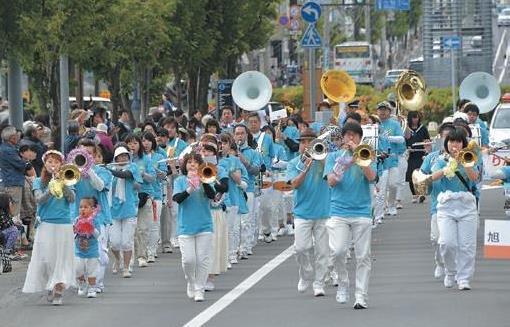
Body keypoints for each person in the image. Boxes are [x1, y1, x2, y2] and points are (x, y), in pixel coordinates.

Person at [324, 122, 377, 309]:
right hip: (338, 211)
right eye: (347, 135)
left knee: (363, 256)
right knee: (338, 251)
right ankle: (343, 282)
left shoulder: (368, 154)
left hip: (362, 212)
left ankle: (361, 295)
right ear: (342, 138)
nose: (351, 138)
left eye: (355, 135)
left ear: (360, 138)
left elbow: (371, 177)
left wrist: (359, 156)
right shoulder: (332, 157)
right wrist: (341, 165)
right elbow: (330, 182)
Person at [427, 128, 480, 290]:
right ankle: (450, 271)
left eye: (457, 141)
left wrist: (463, 162)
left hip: (466, 205)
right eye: (451, 141)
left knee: (467, 245)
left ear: (463, 144)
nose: (454, 145)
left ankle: (464, 278)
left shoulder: (469, 158)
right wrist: (447, 167)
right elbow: (431, 176)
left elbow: (474, 178)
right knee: (447, 242)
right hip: (446, 206)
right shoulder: (440, 159)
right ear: (446, 144)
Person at [22, 150, 76, 305]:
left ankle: (58, 290)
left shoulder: (67, 179)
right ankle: (51, 283)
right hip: (46, 224)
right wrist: (52, 187)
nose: (53, 165)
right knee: (46, 260)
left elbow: (72, 199)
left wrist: (62, 184)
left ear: (61, 164)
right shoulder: (39, 181)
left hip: (63, 223)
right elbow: (39, 200)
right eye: (50, 162)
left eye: (57, 162)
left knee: (61, 259)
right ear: (45, 164)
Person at [287, 129, 330, 297]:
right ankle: (305, 275)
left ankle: (319, 283)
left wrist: (321, 158)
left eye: (309, 142)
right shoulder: (293, 163)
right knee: (301, 248)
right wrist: (305, 167)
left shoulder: (324, 160)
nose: (305, 145)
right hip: (302, 213)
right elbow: (295, 184)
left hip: (324, 212)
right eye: (302, 142)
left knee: (322, 252)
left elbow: (333, 176)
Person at [173, 152, 218, 302]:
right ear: (185, 166)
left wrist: (202, 181)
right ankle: (191, 281)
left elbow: (213, 196)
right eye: (189, 162)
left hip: (204, 225)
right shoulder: (179, 181)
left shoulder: (207, 179)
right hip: (185, 226)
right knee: (189, 260)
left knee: (203, 260)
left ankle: (200, 289)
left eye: (195, 162)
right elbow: (177, 199)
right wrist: (190, 188)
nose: (192, 164)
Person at [72, 140, 113, 292]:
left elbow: (100, 186)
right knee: (79, 252)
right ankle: (82, 280)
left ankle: (96, 284)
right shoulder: (73, 171)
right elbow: (69, 190)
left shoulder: (103, 171)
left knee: (100, 251)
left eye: (89, 154)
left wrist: (88, 169)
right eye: (83, 153)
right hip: (77, 217)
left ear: (95, 156)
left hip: (99, 217)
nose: (86, 156)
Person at [420, 123, 455, 280]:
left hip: (457, 204)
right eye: (444, 136)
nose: (447, 140)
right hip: (437, 205)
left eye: (451, 137)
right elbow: (421, 176)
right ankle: (440, 263)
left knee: (451, 242)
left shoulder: (462, 156)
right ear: (440, 138)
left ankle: (452, 270)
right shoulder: (431, 157)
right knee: (437, 239)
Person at [109, 146, 143, 278]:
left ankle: (127, 267)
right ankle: (118, 259)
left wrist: (110, 171)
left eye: (125, 156)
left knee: (126, 242)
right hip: (113, 210)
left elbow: (125, 175)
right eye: (120, 157)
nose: (123, 158)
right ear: (115, 158)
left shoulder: (132, 167)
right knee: (115, 242)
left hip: (128, 208)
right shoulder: (110, 170)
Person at [125, 134, 156, 268]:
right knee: (131, 229)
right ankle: (130, 257)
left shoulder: (146, 160)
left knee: (143, 228)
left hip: (144, 195)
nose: (132, 146)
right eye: (129, 143)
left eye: (135, 143)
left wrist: (142, 174)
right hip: (129, 198)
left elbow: (153, 178)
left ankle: (142, 256)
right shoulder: (123, 161)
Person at [218, 133, 249, 264]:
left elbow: (239, 180)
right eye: (219, 143)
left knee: (232, 229)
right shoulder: (211, 160)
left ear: (229, 145)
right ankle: (219, 256)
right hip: (216, 199)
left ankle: (231, 254)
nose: (221, 146)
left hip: (232, 198)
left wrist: (228, 170)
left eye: (224, 143)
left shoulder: (234, 160)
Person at [374, 102, 405, 222]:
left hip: (392, 160)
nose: (382, 112)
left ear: (389, 111)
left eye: (385, 110)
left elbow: (401, 139)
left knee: (393, 184)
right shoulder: (374, 124)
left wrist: (387, 138)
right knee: (381, 189)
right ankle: (380, 212)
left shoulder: (394, 124)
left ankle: (391, 205)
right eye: (380, 110)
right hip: (379, 161)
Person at [0, 126, 30, 222]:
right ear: (12, 137)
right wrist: (26, 159)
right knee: (14, 211)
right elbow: (21, 165)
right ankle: (13, 234)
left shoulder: (6, 148)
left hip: (10, 182)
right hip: (13, 184)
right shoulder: (8, 150)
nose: (18, 137)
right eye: (16, 135)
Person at [74, 197, 101, 298]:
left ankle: (92, 287)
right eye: (80, 207)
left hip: (92, 251)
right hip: (79, 250)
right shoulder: (77, 219)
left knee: (92, 270)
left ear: (92, 209)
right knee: (78, 269)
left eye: (86, 207)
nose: (82, 209)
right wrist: (75, 228)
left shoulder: (94, 220)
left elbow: (98, 235)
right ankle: (82, 283)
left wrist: (91, 227)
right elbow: (73, 232)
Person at [405, 111, 430, 203]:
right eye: (413, 118)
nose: (415, 120)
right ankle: (414, 194)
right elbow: (405, 140)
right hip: (411, 155)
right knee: (412, 175)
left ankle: (421, 193)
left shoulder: (422, 128)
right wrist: (407, 148)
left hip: (421, 154)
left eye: (417, 118)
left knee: (421, 174)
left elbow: (427, 139)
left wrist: (426, 147)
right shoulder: (406, 128)